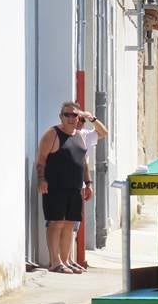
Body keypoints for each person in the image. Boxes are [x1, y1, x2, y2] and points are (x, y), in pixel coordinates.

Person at [36, 101, 108, 274]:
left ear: (78, 117)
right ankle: (55, 262)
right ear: (61, 116)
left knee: (69, 224)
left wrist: (89, 183)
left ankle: (66, 260)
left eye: (74, 115)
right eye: (67, 115)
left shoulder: (81, 135)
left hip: (75, 188)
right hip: (55, 187)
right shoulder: (52, 134)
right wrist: (41, 179)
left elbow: (83, 163)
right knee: (56, 223)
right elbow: (41, 160)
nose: (70, 118)